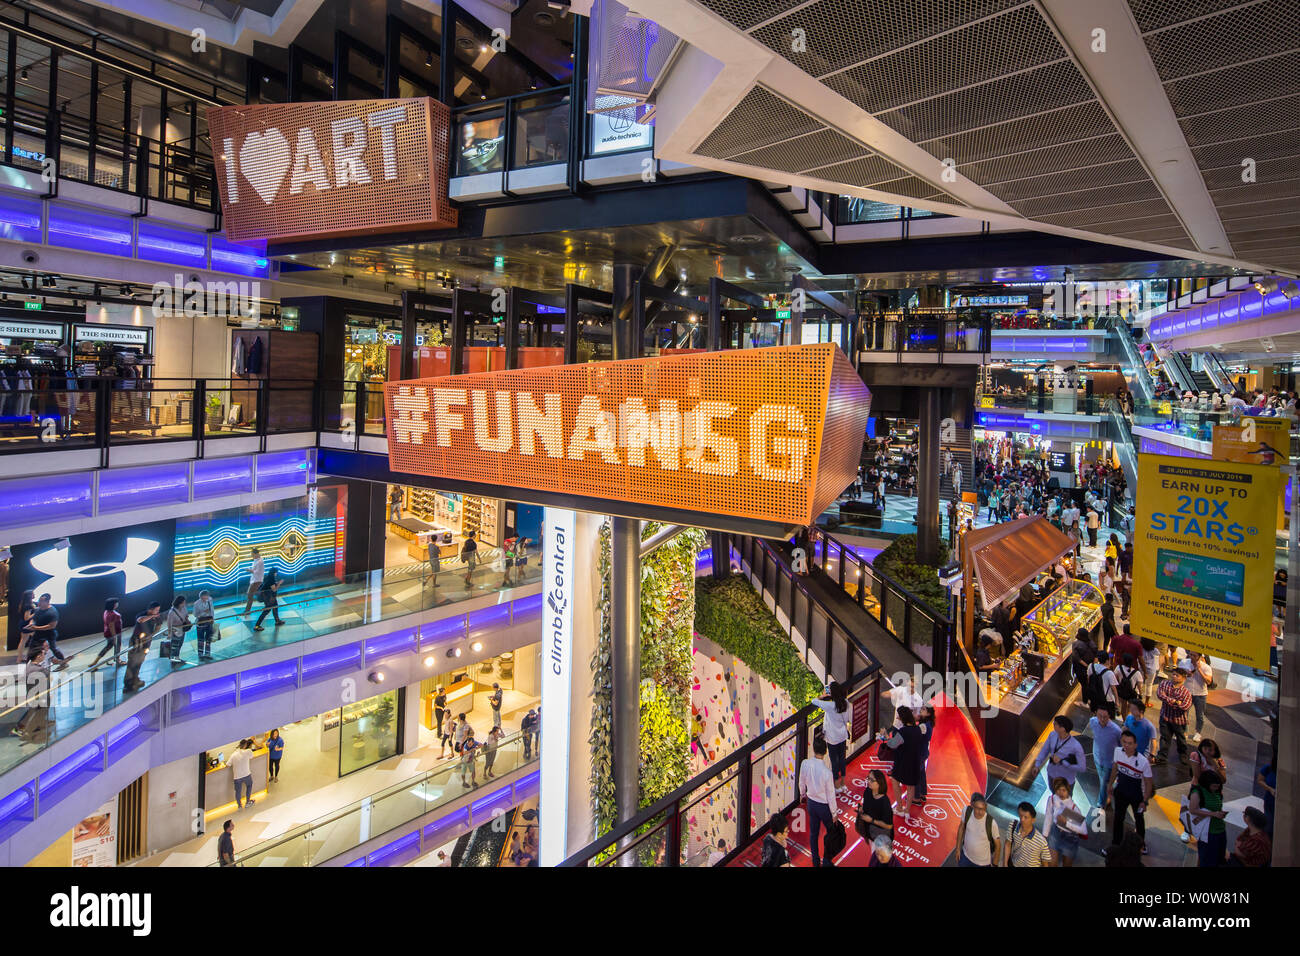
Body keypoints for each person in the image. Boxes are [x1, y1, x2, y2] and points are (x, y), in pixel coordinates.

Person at [1105, 729, 1153, 856]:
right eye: (1124, 742)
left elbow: (1148, 783)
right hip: (1120, 792)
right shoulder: (1118, 752)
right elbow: (1115, 768)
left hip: (1137, 795)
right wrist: (1110, 785)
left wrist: (1144, 801)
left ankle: (1141, 845)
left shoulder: (1143, 761)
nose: (1126, 745)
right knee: (1118, 819)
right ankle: (1115, 845)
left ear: (1135, 745)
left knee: (1139, 820)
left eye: (1130, 743)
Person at [798, 736, 837, 868]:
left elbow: (801, 782)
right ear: (825, 752)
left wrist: (802, 794)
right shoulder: (827, 773)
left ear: (813, 749)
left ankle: (815, 862)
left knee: (813, 834)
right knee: (831, 833)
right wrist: (834, 812)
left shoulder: (805, 764)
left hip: (811, 804)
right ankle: (826, 860)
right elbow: (831, 795)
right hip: (824, 807)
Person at [880, 706, 923, 819]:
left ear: (902, 718)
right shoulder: (918, 729)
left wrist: (884, 736)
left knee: (895, 781)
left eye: (899, 716)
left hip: (902, 762)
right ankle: (907, 811)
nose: (897, 717)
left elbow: (892, 745)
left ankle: (899, 807)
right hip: (914, 762)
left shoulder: (903, 732)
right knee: (911, 786)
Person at [811, 681, 850, 791]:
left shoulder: (829, 705)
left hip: (832, 738)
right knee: (842, 759)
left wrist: (823, 696)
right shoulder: (846, 703)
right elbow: (847, 719)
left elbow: (814, 701)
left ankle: (837, 786)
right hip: (842, 735)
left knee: (834, 762)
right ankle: (843, 784)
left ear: (832, 693)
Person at [1032, 715, 1086, 795]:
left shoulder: (1076, 747)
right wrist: (1037, 765)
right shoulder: (1052, 735)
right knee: (1053, 795)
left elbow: (1082, 768)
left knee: (1065, 802)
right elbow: (1045, 750)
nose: (1053, 724)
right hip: (1051, 774)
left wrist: (1063, 762)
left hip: (1065, 781)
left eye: (1055, 724)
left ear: (1063, 729)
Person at [1044, 776, 1088, 866]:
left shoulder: (1074, 808)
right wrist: (1044, 835)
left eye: (1063, 790)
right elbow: (1048, 816)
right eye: (1058, 790)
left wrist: (1066, 823)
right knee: (1051, 864)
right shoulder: (1052, 799)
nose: (1061, 793)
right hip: (1055, 832)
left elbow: (1084, 830)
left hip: (1070, 838)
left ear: (1068, 790)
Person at [1187, 771, 1228, 867]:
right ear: (1206, 783)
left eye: (1218, 786)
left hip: (1220, 829)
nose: (1216, 788)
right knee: (1207, 859)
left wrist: (1220, 813)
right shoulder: (1197, 792)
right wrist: (1213, 814)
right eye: (1214, 786)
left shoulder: (1217, 791)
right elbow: (1192, 809)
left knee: (1219, 858)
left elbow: (1217, 806)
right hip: (1208, 832)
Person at [1155, 665, 1193, 764]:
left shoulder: (1186, 692)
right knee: (1164, 738)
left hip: (1178, 721)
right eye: (1174, 674)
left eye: (1177, 675)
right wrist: (1175, 702)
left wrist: (1170, 701)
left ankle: (1183, 756)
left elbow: (1185, 706)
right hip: (1165, 717)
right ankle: (1162, 757)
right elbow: (1160, 694)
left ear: (1183, 678)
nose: (1174, 676)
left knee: (1181, 740)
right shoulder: (1164, 683)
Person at [123, 603, 162, 692]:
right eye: (156, 610)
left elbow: (159, 626)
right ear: (150, 610)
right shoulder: (142, 615)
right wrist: (152, 616)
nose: (157, 612)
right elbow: (140, 620)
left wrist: (152, 635)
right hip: (136, 641)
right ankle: (128, 683)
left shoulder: (156, 617)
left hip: (146, 642)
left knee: (140, 661)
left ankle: (135, 679)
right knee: (132, 662)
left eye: (158, 610)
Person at [1088, 704, 1123, 801]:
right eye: (1100, 716)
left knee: (1103, 783)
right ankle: (1111, 785)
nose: (1102, 719)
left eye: (1105, 717)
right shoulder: (1093, 721)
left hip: (1109, 762)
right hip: (1097, 757)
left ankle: (1101, 803)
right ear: (1096, 714)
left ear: (1109, 716)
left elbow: (1121, 746)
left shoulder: (1116, 730)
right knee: (1102, 780)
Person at [956, 792, 1000, 867]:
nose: (981, 812)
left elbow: (998, 845)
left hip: (982, 863)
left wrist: (995, 864)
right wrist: (958, 848)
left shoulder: (991, 823)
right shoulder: (966, 811)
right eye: (978, 809)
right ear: (972, 806)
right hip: (965, 857)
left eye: (983, 809)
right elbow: (961, 828)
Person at [1003, 802, 1052, 868]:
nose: (1022, 819)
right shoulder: (1013, 825)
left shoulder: (1041, 841)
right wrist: (1005, 863)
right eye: (1020, 816)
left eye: (1026, 817)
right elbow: (1007, 844)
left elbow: (1045, 863)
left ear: (1033, 820)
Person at [28, 594, 68, 670]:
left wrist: (36, 627)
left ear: (47, 602)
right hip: (38, 634)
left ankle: (63, 663)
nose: (39, 603)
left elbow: (52, 626)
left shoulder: (52, 612)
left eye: (41, 601)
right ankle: (29, 668)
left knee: (54, 649)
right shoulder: (38, 609)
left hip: (49, 635)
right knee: (31, 650)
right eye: (39, 600)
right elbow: (33, 618)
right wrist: (31, 623)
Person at [855, 769, 894, 845]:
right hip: (869, 831)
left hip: (880, 835)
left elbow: (889, 826)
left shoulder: (884, 802)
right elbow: (867, 806)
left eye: (872, 780)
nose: (868, 781)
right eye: (868, 778)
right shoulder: (868, 791)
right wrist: (861, 809)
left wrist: (871, 820)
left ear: (879, 783)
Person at [1184, 652, 1213, 741]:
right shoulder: (1184, 663)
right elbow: (1178, 675)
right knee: (1184, 713)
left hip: (1200, 694)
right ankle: (1184, 732)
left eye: (1194, 655)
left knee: (1200, 715)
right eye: (1190, 654)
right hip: (1187, 692)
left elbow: (1208, 682)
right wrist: (1185, 674)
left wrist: (1199, 670)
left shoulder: (1206, 667)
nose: (1192, 657)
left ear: (1200, 657)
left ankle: (1198, 733)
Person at [89, 598, 124, 670]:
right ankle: (117, 660)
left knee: (108, 647)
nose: (117, 603)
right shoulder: (113, 614)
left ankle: (95, 662)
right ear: (114, 605)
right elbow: (111, 625)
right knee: (116, 647)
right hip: (115, 634)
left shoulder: (107, 612)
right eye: (116, 603)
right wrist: (114, 636)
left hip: (108, 633)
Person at [228, 738, 256, 809]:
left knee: (238, 792)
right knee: (249, 786)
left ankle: (239, 805)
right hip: (247, 774)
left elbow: (228, 764)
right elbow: (252, 756)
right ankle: (247, 802)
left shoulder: (233, 755)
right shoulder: (248, 751)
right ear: (245, 745)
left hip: (237, 777)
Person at [165, 595, 191, 665]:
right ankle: (173, 660)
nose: (184, 604)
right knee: (175, 646)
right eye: (183, 603)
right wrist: (170, 633)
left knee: (180, 644)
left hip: (182, 629)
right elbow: (169, 623)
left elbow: (186, 616)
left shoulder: (184, 608)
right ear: (179, 603)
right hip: (175, 631)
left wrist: (187, 621)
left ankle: (176, 658)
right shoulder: (172, 612)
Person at [192, 589, 216, 661]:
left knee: (208, 638)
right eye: (203, 598)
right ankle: (200, 654)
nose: (205, 599)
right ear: (200, 597)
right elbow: (195, 614)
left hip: (209, 621)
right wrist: (203, 612)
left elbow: (212, 610)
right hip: (200, 623)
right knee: (201, 639)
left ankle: (207, 653)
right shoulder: (196, 604)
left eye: (206, 597)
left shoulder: (210, 600)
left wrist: (212, 618)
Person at [243, 548, 264, 616]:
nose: (252, 556)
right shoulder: (256, 560)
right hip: (254, 580)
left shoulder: (260, 561)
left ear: (256, 554)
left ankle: (247, 611)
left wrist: (250, 570)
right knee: (250, 595)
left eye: (252, 554)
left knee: (250, 595)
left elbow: (257, 572)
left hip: (257, 580)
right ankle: (247, 610)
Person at [434, 686, 449, 757]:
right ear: (441, 692)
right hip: (438, 711)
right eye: (444, 692)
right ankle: (439, 734)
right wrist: (441, 708)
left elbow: (445, 701)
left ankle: (440, 732)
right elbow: (435, 706)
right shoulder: (437, 698)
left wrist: (445, 703)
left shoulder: (444, 696)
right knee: (439, 722)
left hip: (443, 710)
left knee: (441, 721)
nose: (445, 693)